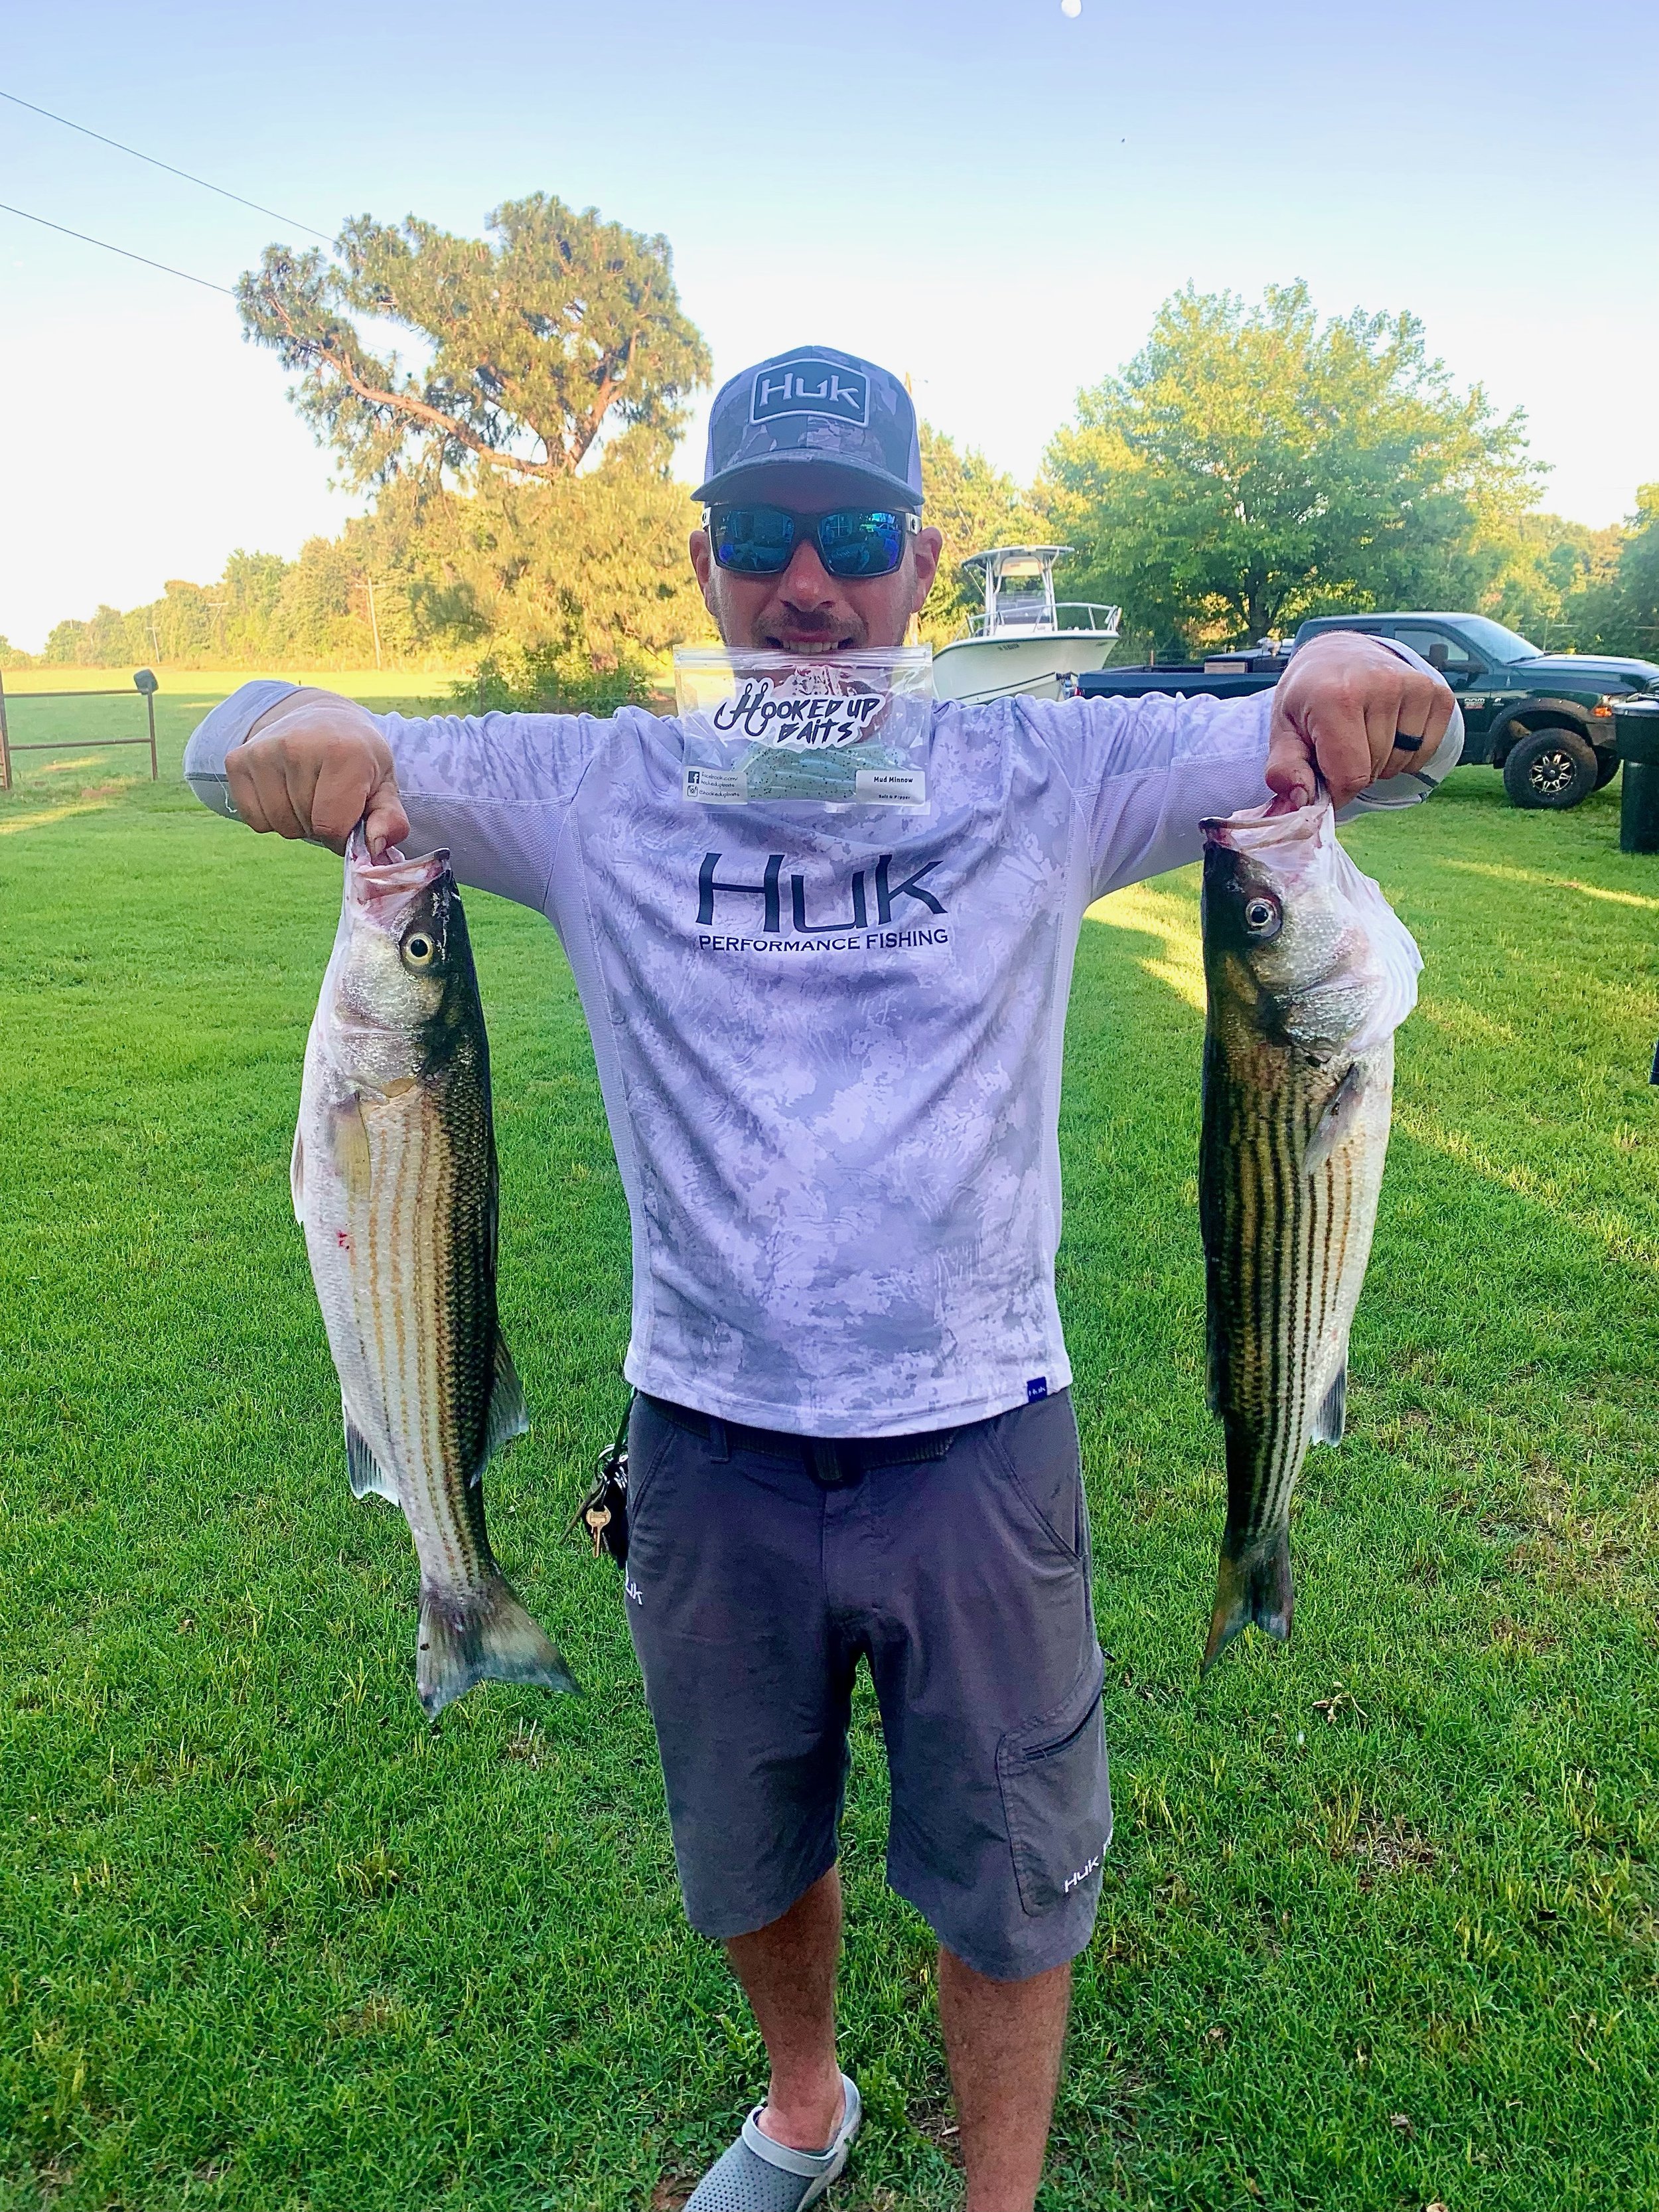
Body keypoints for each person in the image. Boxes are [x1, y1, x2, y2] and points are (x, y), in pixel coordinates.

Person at [184, 346, 1455, 2212]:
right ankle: (803, 2108)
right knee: (746, 1838)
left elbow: (1354, 737)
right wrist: (265, 726)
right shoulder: (589, 783)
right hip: (705, 1439)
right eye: (763, 538)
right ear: (700, 562)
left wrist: (1364, 672)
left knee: (1010, 1869)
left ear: (921, 563)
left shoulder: (1045, 763)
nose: (808, 588)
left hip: (980, 1434)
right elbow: (257, 745)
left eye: (852, 537)